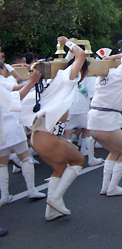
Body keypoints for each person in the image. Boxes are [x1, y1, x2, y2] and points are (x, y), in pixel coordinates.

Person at [19, 36, 88, 220]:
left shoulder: (58, 79)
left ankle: (51, 212)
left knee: (60, 168)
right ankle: (56, 199)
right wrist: (67, 42)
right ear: (81, 71)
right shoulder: (68, 78)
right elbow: (80, 55)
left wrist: (66, 49)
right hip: (47, 136)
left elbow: (68, 61)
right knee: (79, 160)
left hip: (37, 137)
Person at [87, 53, 122, 196]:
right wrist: (114, 57)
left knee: (114, 151)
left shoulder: (103, 76)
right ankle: (112, 188)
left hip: (94, 118)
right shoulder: (121, 73)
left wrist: (110, 59)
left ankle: (105, 187)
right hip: (106, 119)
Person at [0, 62, 42, 236]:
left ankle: (4, 195)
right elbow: (13, 100)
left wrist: (29, 82)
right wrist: (32, 83)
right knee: (25, 156)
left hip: (4, 126)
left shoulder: (2, 80)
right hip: (8, 123)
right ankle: (31, 189)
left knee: (2, 163)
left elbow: (15, 87)